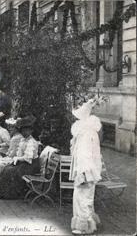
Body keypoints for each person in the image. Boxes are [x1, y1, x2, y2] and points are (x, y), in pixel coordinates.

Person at [69, 99, 102, 235]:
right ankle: (87, 221)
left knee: (82, 197)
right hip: (86, 168)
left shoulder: (86, 133)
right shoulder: (89, 131)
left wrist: (83, 172)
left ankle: (84, 226)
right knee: (84, 196)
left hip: (85, 169)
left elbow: (86, 154)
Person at [0, 115, 40, 199]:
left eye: (26, 130)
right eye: (23, 131)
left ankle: (14, 194)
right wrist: (16, 158)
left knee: (11, 171)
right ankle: (4, 193)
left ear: (31, 131)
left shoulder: (32, 142)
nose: (24, 132)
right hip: (25, 163)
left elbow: (28, 157)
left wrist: (17, 159)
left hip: (31, 165)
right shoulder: (23, 140)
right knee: (7, 168)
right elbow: (19, 153)